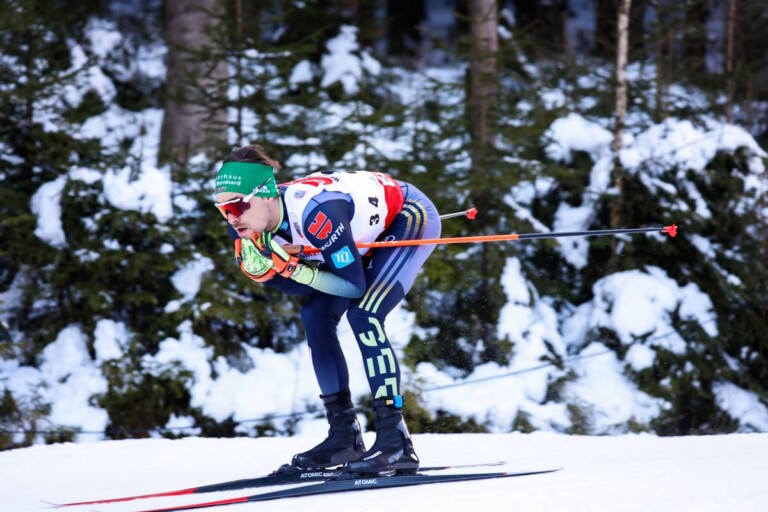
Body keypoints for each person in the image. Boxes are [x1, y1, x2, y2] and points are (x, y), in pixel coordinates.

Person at [213, 145, 441, 475]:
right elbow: (308, 287)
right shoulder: (247, 225)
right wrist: (272, 276)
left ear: (266, 195)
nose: (231, 217)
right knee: (315, 316)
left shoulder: (316, 215)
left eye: (237, 205)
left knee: (364, 313)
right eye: (222, 209)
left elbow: (353, 286)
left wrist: (290, 269)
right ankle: (344, 436)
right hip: (351, 235)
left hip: (406, 215)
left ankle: (396, 441)